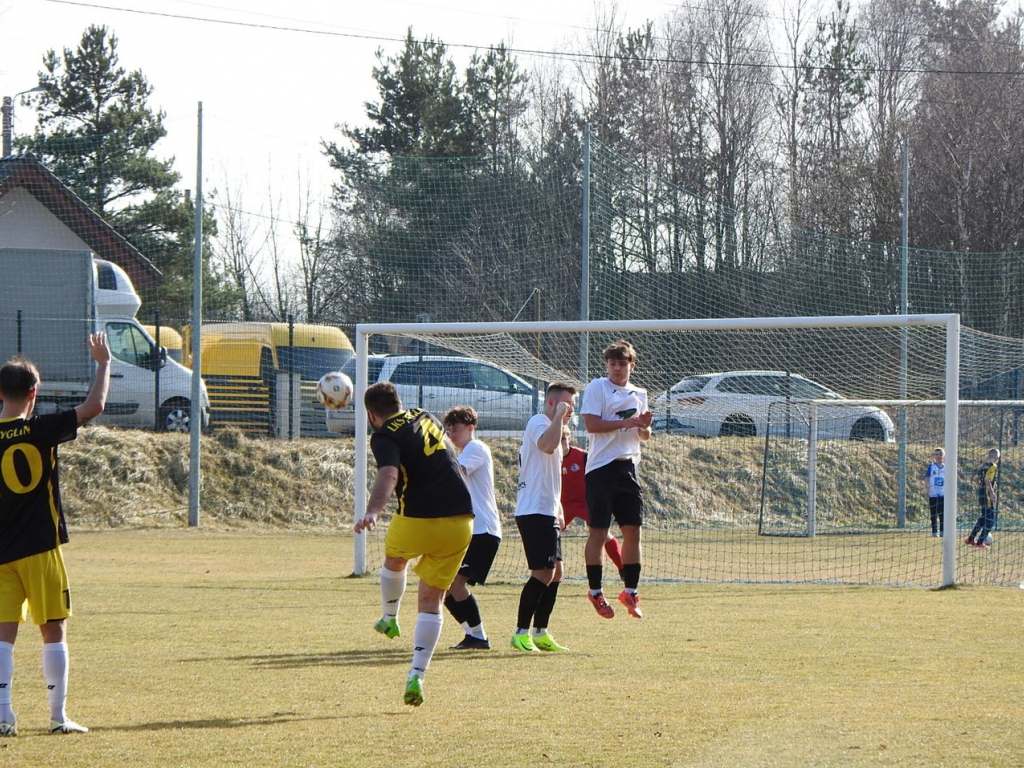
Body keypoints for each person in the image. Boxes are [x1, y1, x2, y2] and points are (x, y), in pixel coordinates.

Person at [0, 333, 111, 737]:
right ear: (34, 393)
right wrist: (103, 363)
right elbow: (94, 407)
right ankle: (58, 717)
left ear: (0, 393)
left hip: (1, 553)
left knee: (3, 635)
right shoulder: (42, 428)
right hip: (40, 547)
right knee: (53, 628)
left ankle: (3, 717)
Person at [353, 382, 473, 706]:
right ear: (400, 402)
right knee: (432, 601)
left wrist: (372, 511)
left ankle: (390, 617)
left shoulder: (383, 435)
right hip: (462, 518)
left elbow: (389, 475)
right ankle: (417, 675)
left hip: (418, 517)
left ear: (371, 415)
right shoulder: (424, 416)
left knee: (395, 558)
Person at [581, 340, 652, 620]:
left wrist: (644, 428)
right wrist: (626, 422)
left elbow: (643, 435)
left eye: (622, 364)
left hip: (628, 468)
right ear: (607, 365)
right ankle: (595, 591)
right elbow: (591, 425)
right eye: (613, 363)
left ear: (632, 366)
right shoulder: (598, 387)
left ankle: (630, 591)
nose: (617, 368)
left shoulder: (639, 393)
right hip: (601, 468)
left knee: (633, 530)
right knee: (598, 532)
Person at [510, 382, 577, 653]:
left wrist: (558, 508)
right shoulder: (539, 421)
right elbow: (547, 446)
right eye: (568, 405)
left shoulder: (555, 428)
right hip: (534, 510)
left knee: (556, 572)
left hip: (546, 510)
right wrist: (559, 416)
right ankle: (520, 633)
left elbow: (549, 470)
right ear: (552, 403)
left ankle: (540, 632)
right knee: (543, 572)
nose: (571, 410)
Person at [441, 406, 501, 651]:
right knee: (445, 588)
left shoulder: (476, 448)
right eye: (448, 430)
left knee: (455, 585)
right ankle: (473, 635)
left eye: (455, 429)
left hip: (482, 530)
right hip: (470, 530)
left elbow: (456, 473)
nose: (451, 435)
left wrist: (438, 452)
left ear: (471, 428)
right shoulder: (465, 452)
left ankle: (479, 638)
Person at [560, 426, 623, 570]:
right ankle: (547, 571)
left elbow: (598, 473)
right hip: (563, 506)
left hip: (585, 503)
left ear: (570, 438)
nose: (561, 443)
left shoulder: (583, 456)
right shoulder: (550, 459)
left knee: (604, 534)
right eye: (557, 439)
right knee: (550, 535)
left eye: (563, 438)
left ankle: (623, 568)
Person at [965, 448, 1000, 549]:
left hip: (981, 493)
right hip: (987, 494)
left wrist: (981, 486)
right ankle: (980, 542)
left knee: (983, 517)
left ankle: (970, 539)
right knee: (990, 520)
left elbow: (975, 479)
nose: (998, 459)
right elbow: (987, 479)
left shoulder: (984, 466)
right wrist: (992, 493)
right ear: (995, 457)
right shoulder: (993, 467)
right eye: (998, 457)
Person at [922, 448, 946, 538]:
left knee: (942, 514)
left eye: (940, 454)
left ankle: (943, 531)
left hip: (943, 494)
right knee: (933, 514)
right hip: (933, 494)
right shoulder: (931, 466)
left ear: (944, 456)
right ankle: (934, 532)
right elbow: (927, 477)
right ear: (934, 456)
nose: (938, 456)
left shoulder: (947, 467)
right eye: (937, 454)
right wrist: (926, 487)